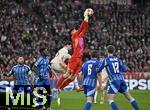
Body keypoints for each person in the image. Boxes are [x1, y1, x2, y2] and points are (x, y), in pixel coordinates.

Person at [54, 8, 94, 92]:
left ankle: (60, 89)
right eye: (73, 30)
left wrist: (87, 18)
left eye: (75, 30)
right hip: (75, 57)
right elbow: (81, 27)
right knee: (67, 74)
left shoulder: (80, 36)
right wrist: (85, 16)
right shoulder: (74, 36)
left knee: (72, 78)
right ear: (72, 33)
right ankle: (55, 87)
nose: (75, 30)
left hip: (79, 59)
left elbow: (85, 27)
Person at [97, 45, 140, 110]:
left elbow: (98, 70)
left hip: (114, 81)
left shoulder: (106, 60)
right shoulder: (117, 59)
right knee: (129, 98)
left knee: (110, 100)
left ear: (107, 51)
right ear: (114, 51)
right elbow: (125, 69)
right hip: (121, 79)